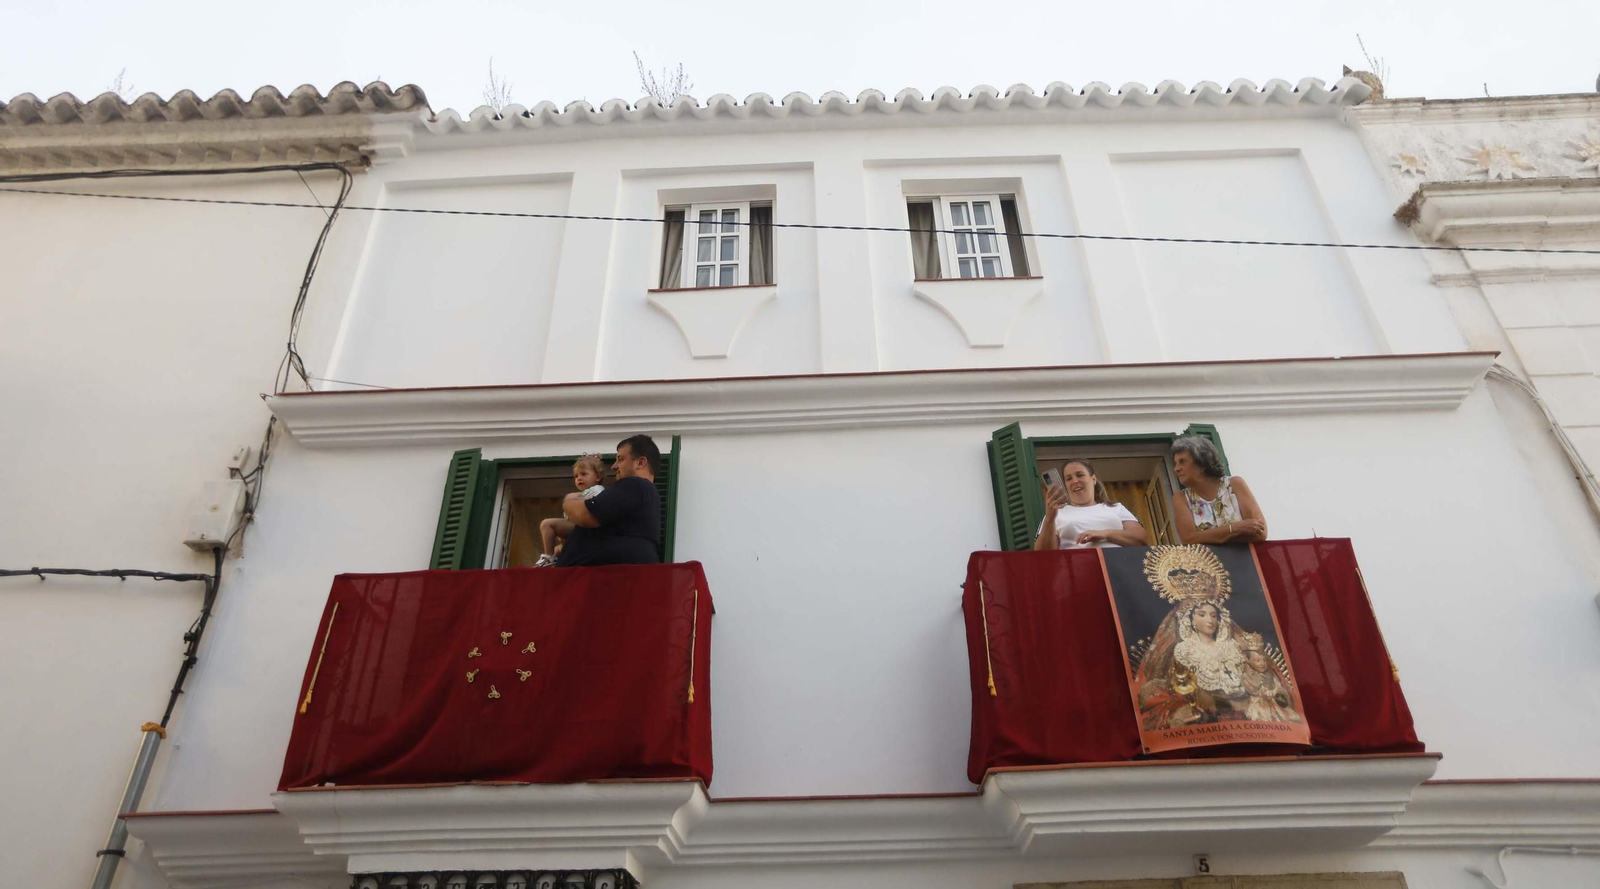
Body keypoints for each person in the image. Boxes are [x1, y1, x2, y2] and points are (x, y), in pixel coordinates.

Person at [553, 434, 663, 567]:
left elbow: (586, 515)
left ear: (640, 463)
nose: (614, 466)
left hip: (608, 581)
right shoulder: (645, 495)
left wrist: (568, 501)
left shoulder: (635, 484)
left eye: (620, 459)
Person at [1169, 436, 1268, 544]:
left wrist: (1210, 537)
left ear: (1202, 463)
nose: (1176, 469)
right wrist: (1235, 528)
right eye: (1176, 463)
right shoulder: (1181, 498)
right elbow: (1189, 540)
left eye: (1182, 461)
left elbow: (1260, 532)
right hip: (1209, 561)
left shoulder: (1234, 484)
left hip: (1246, 559)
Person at [1033, 458, 1149, 550]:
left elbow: (1141, 539)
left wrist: (1105, 534)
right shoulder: (1056, 513)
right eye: (1068, 479)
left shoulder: (1115, 508)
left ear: (1093, 479)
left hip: (1118, 569)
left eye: (1080, 475)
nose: (1074, 481)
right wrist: (1049, 518)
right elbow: (1043, 555)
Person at [533, 455, 606, 568]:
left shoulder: (598, 490)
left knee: (547, 524)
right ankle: (550, 561)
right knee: (558, 549)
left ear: (597, 477)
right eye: (576, 476)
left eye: (583, 474)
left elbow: (591, 507)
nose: (579, 478)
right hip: (577, 530)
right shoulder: (582, 493)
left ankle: (548, 557)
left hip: (583, 528)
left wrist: (573, 499)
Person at [1237, 632, 1302, 724]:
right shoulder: (1247, 676)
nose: (1262, 663)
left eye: (1264, 660)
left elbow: (1278, 686)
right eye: (1257, 661)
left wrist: (1278, 693)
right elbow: (1251, 690)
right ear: (1249, 661)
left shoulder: (1270, 674)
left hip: (1276, 703)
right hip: (1259, 705)